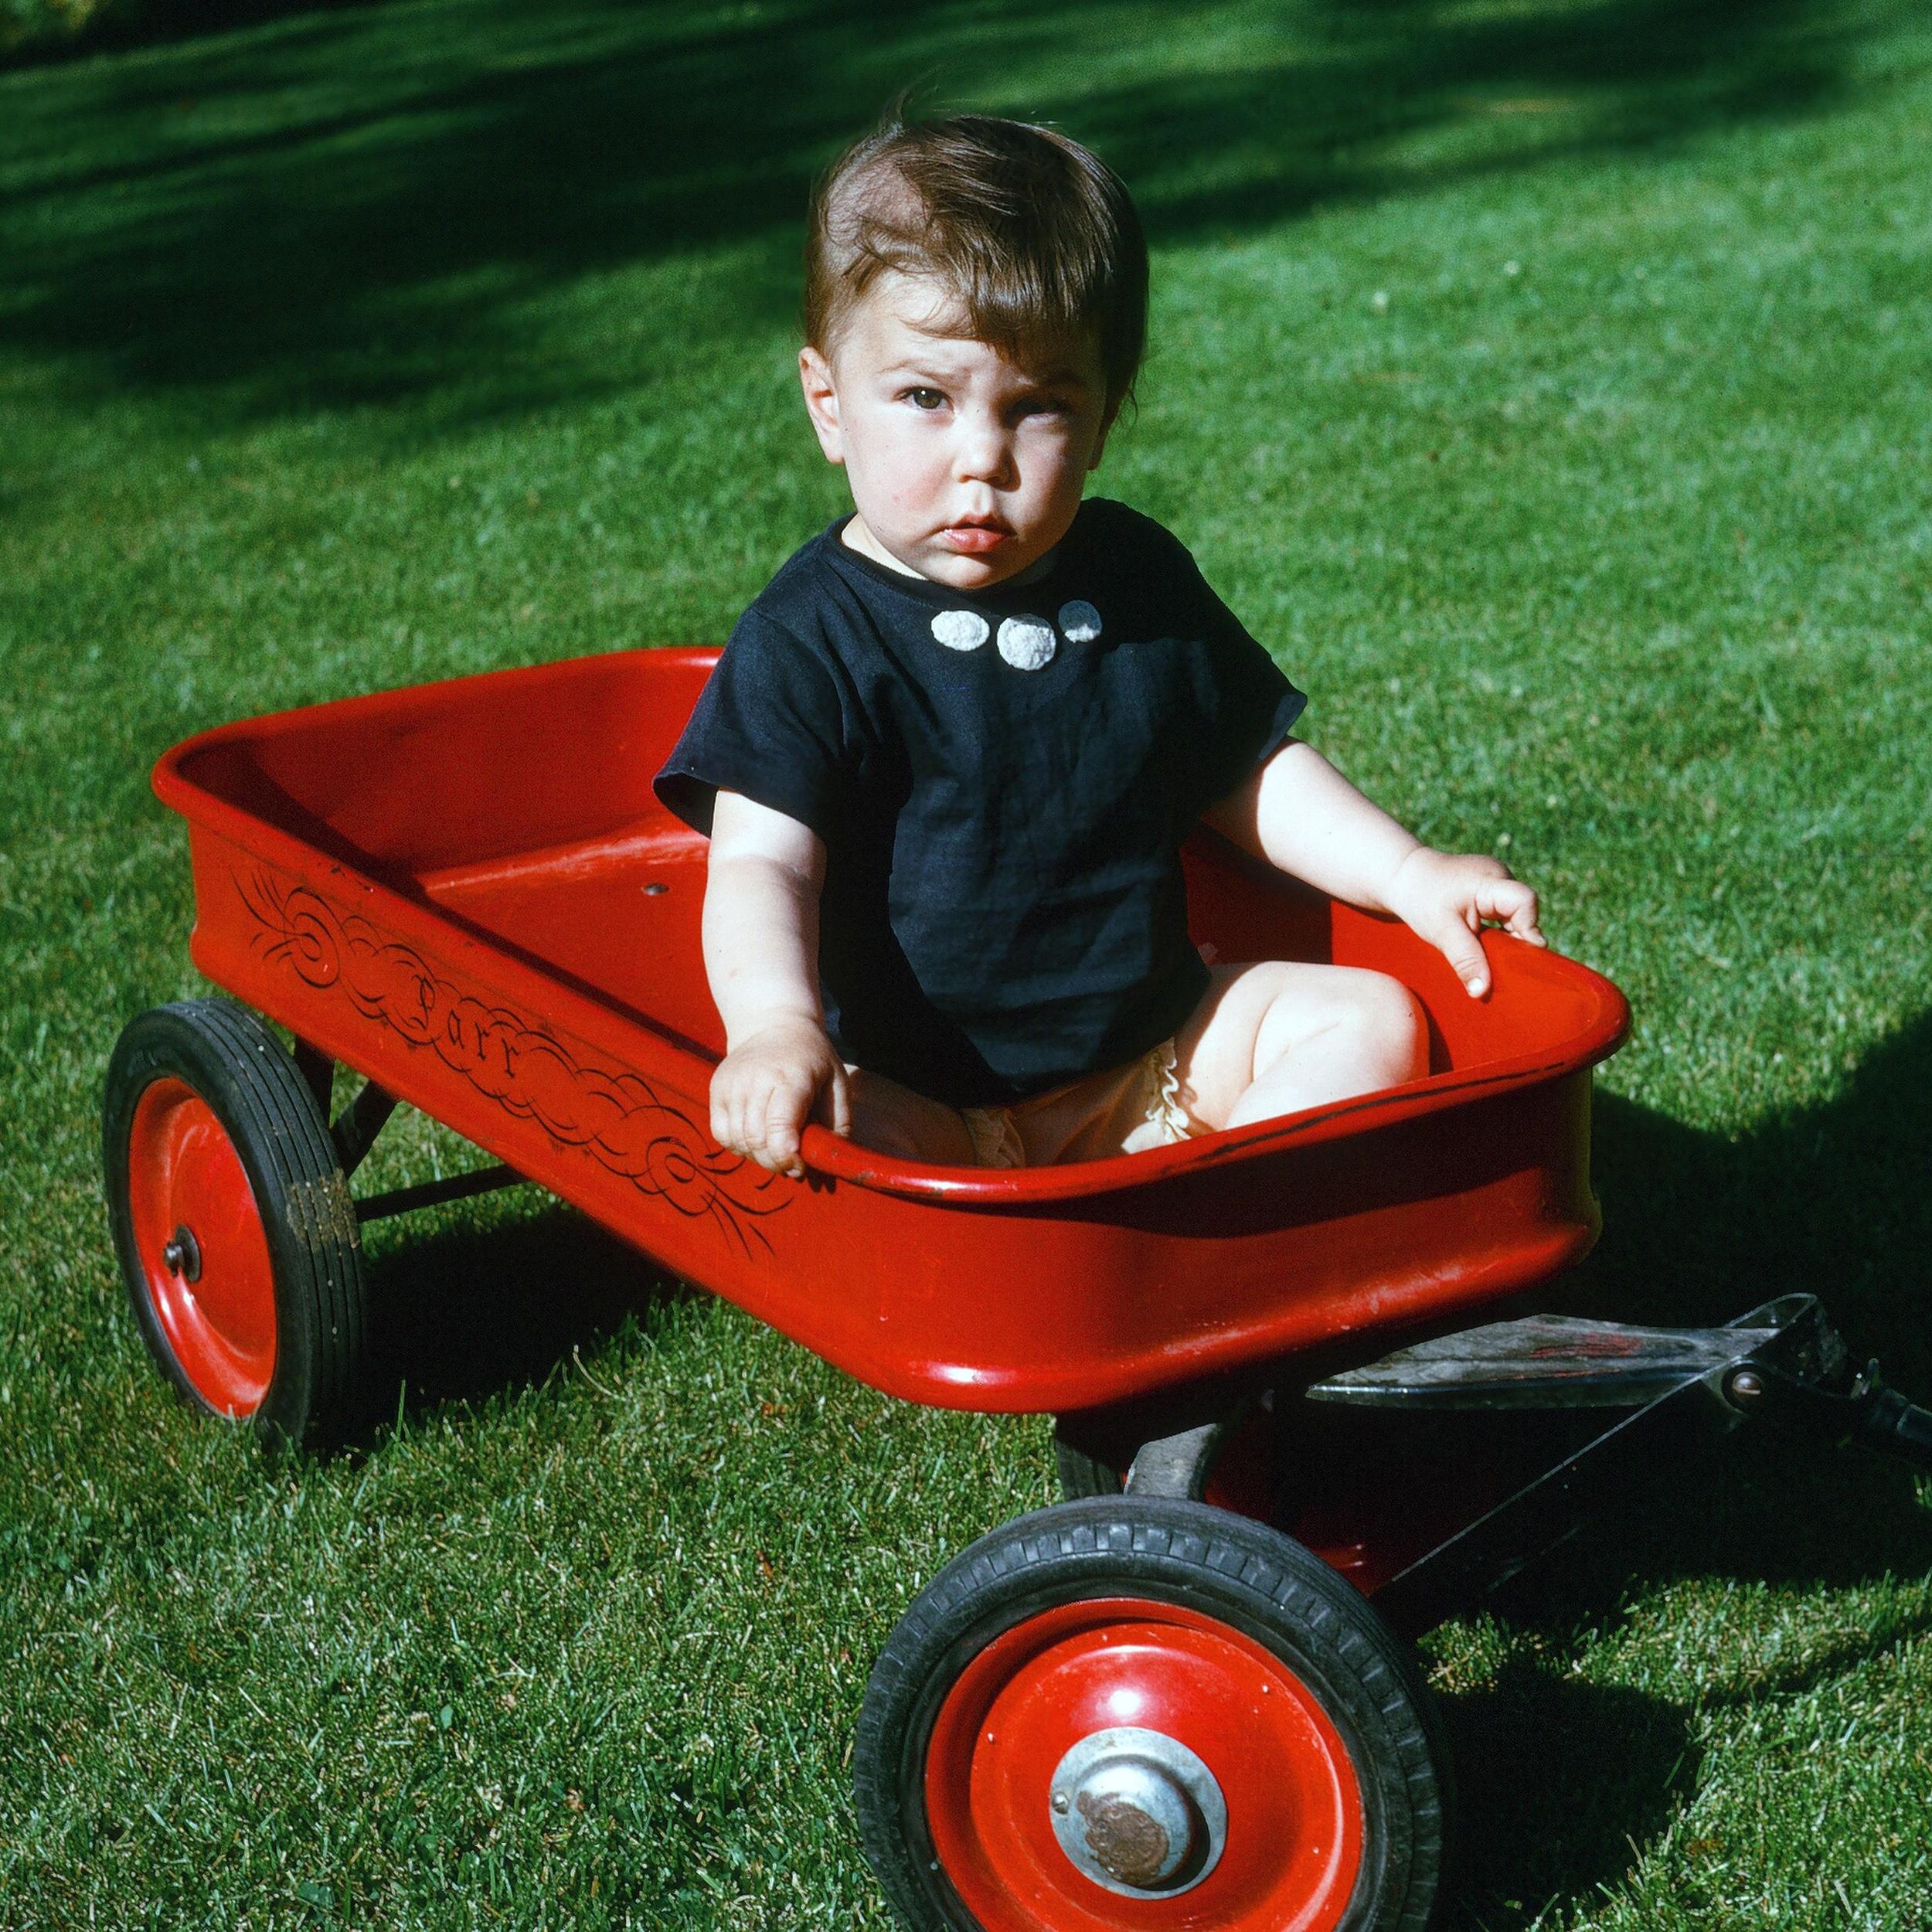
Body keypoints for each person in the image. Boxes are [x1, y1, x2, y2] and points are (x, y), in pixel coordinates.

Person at [655, 113, 1543, 1175]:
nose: (983, 456)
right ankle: (1131, 1231)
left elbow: (1248, 768)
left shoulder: (1132, 579)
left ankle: (1196, 1228)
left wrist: (1408, 872)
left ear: (1107, 414)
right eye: (926, 398)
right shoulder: (808, 638)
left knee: (1374, 1018)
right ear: (829, 404)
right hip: (919, 1096)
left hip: (1155, 1062)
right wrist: (774, 1028)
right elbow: (764, 867)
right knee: (820, 1131)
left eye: (1038, 407)